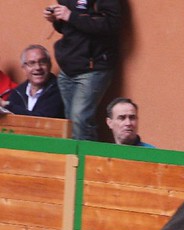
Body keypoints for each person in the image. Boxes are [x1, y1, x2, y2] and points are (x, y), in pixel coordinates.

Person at [43, 1, 122, 140]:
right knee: (71, 123)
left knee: (80, 119)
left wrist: (71, 16)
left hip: (93, 66)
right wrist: (56, 18)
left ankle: (86, 160)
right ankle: (75, 159)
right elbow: (68, 29)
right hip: (68, 67)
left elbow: (111, 24)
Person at [1, 45, 65, 118]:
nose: (38, 67)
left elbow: (41, 120)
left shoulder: (60, 90)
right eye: (32, 63)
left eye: (42, 62)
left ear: (50, 65)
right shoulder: (17, 92)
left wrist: (6, 105)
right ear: (24, 68)